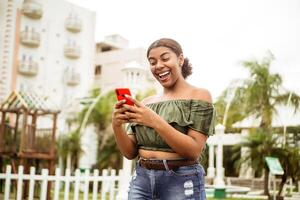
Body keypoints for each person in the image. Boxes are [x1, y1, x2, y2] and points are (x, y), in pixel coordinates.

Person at [112, 38, 215, 200]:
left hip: (180, 180)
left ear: (180, 59)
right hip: (142, 180)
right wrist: (116, 125)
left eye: (165, 58)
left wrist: (154, 120)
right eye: (152, 62)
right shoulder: (146, 103)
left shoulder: (199, 95)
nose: (158, 65)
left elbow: (193, 151)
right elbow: (130, 152)